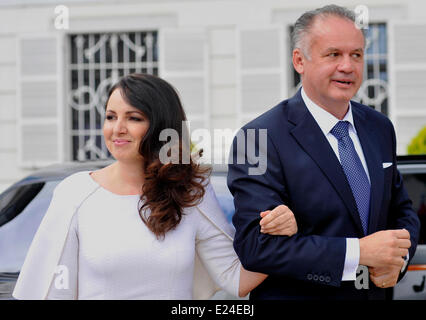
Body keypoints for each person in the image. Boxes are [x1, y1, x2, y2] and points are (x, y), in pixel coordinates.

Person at [12, 73, 297, 300]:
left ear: (161, 126)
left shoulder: (190, 193)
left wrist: (282, 233)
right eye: (111, 116)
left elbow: (237, 279)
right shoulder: (75, 193)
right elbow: (52, 291)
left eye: (133, 118)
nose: (117, 128)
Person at [228, 5, 421, 300]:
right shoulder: (257, 138)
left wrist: (397, 261)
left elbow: (403, 211)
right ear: (299, 61)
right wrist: (359, 253)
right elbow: (257, 247)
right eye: (333, 54)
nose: (348, 66)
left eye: (356, 55)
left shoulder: (380, 128)